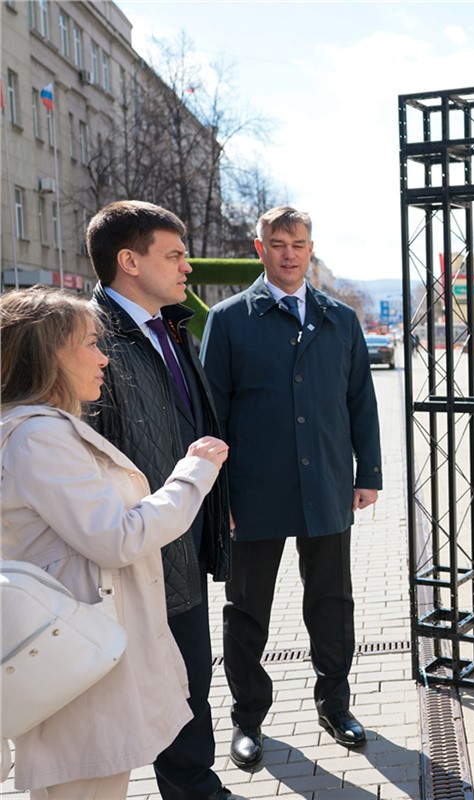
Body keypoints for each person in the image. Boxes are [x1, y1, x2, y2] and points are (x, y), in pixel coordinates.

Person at [0, 287, 229, 800]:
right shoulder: (39, 437)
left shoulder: (42, 429)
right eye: (89, 343)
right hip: (76, 657)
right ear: (50, 354)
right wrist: (193, 476)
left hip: (79, 651)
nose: (104, 357)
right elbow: (119, 538)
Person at [200, 206, 382, 768]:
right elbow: (212, 412)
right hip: (254, 492)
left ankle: (335, 704)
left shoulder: (339, 319)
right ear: (260, 248)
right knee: (247, 609)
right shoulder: (229, 320)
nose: (289, 254)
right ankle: (248, 719)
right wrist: (218, 494)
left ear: (309, 248)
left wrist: (367, 473)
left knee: (332, 603)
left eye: (299, 244)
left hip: (326, 485)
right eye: (277, 243)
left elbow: (361, 402)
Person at [82, 201, 239, 800]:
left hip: (183, 534)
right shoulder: (91, 339)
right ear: (129, 262)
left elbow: (190, 422)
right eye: (173, 255)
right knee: (164, 687)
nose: (187, 269)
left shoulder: (168, 326)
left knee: (190, 679)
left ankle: (196, 786)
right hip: (137, 548)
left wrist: (215, 498)